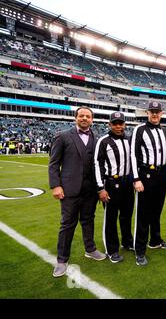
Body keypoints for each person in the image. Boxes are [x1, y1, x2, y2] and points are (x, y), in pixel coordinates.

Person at [49, 106, 106, 278]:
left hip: (90, 191)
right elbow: (53, 163)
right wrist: (55, 186)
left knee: (88, 221)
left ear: (92, 119)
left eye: (88, 116)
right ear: (76, 118)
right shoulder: (63, 136)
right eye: (81, 116)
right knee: (67, 224)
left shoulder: (97, 138)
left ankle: (90, 249)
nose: (84, 118)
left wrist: (100, 187)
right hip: (69, 190)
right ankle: (62, 260)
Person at [131, 101, 166, 266]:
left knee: (156, 212)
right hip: (145, 175)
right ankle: (139, 250)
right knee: (143, 215)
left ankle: (155, 240)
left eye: (157, 112)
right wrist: (136, 178)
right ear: (147, 113)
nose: (155, 114)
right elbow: (133, 155)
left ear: (161, 113)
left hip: (161, 175)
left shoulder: (165, 132)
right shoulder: (139, 130)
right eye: (152, 111)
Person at [94, 111, 134, 264]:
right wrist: (100, 188)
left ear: (124, 124)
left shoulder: (129, 140)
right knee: (111, 218)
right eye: (115, 123)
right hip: (111, 183)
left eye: (121, 123)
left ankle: (127, 241)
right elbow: (97, 164)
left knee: (126, 215)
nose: (118, 126)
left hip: (127, 183)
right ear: (109, 125)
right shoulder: (103, 141)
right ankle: (112, 250)